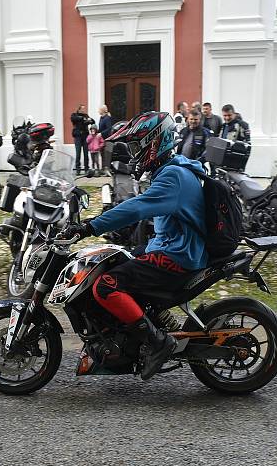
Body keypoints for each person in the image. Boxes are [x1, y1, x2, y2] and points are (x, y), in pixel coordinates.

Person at [61, 111, 207, 380]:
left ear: (154, 142)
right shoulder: (174, 169)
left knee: (105, 286)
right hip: (173, 246)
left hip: (178, 255)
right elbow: (147, 210)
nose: (132, 154)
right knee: (116, 258)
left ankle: (157, 342)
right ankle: (144, 326)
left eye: (136, 146)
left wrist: (91, 226)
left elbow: (138, 206)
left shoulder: (172, 176)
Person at [70, 104, 94, 174]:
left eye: (84, 109)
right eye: (82, 109)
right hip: (77, 136)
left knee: (86, 153)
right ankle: (78, 169)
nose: (84, 110)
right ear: (79, 109)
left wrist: (89, 120)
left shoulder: (86, 115)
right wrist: (83, 119)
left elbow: (92, 121)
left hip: (85, 136)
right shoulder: (74, 115)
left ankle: (86, 168)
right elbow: (73, 119)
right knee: (78, 153)